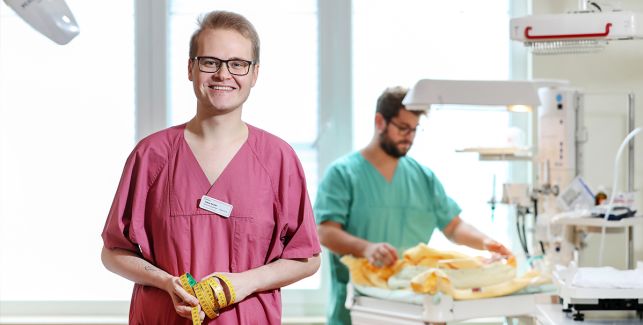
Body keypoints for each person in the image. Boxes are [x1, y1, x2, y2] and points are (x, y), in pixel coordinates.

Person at [101, 10, 321, 324]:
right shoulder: (150, 155)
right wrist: (166, 282)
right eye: (210, 62)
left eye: (237, 64)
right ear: (191, 68)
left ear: (254, 74)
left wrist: (245, 282)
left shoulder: (278, 159)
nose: (222, 75)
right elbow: (113, 252)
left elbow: (307, 258)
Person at [314, 86, 511, 325]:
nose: (409, 136)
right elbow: (324, 231)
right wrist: (366, 248)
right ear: (380, 122)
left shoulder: (423, 178)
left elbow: (453, 227)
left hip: (412, 309)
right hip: (358, 310)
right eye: (403, 128)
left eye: (415, 130)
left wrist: (486, 243)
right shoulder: (343, 174)